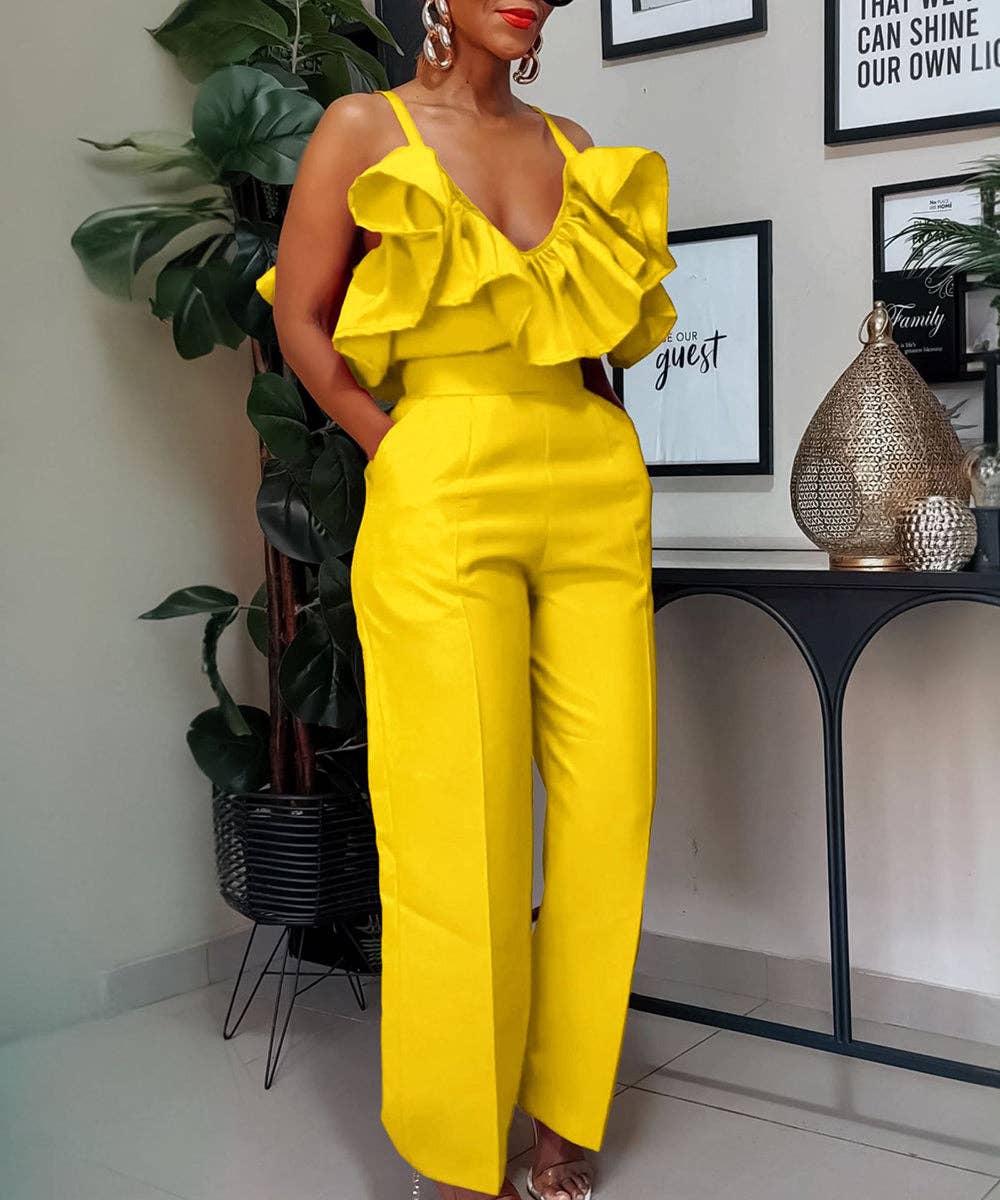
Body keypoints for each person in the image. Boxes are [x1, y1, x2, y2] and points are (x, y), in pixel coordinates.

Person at [254, 2, 678, 1198]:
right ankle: (458, 1138)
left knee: (610, 809)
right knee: (461, 823)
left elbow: (593, 338)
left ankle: (566, 1112)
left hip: (589, 486)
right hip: (442, 481)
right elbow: (299, 314)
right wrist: (390, 446)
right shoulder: (362, 127)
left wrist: (611, 457)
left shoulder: (572, 139)